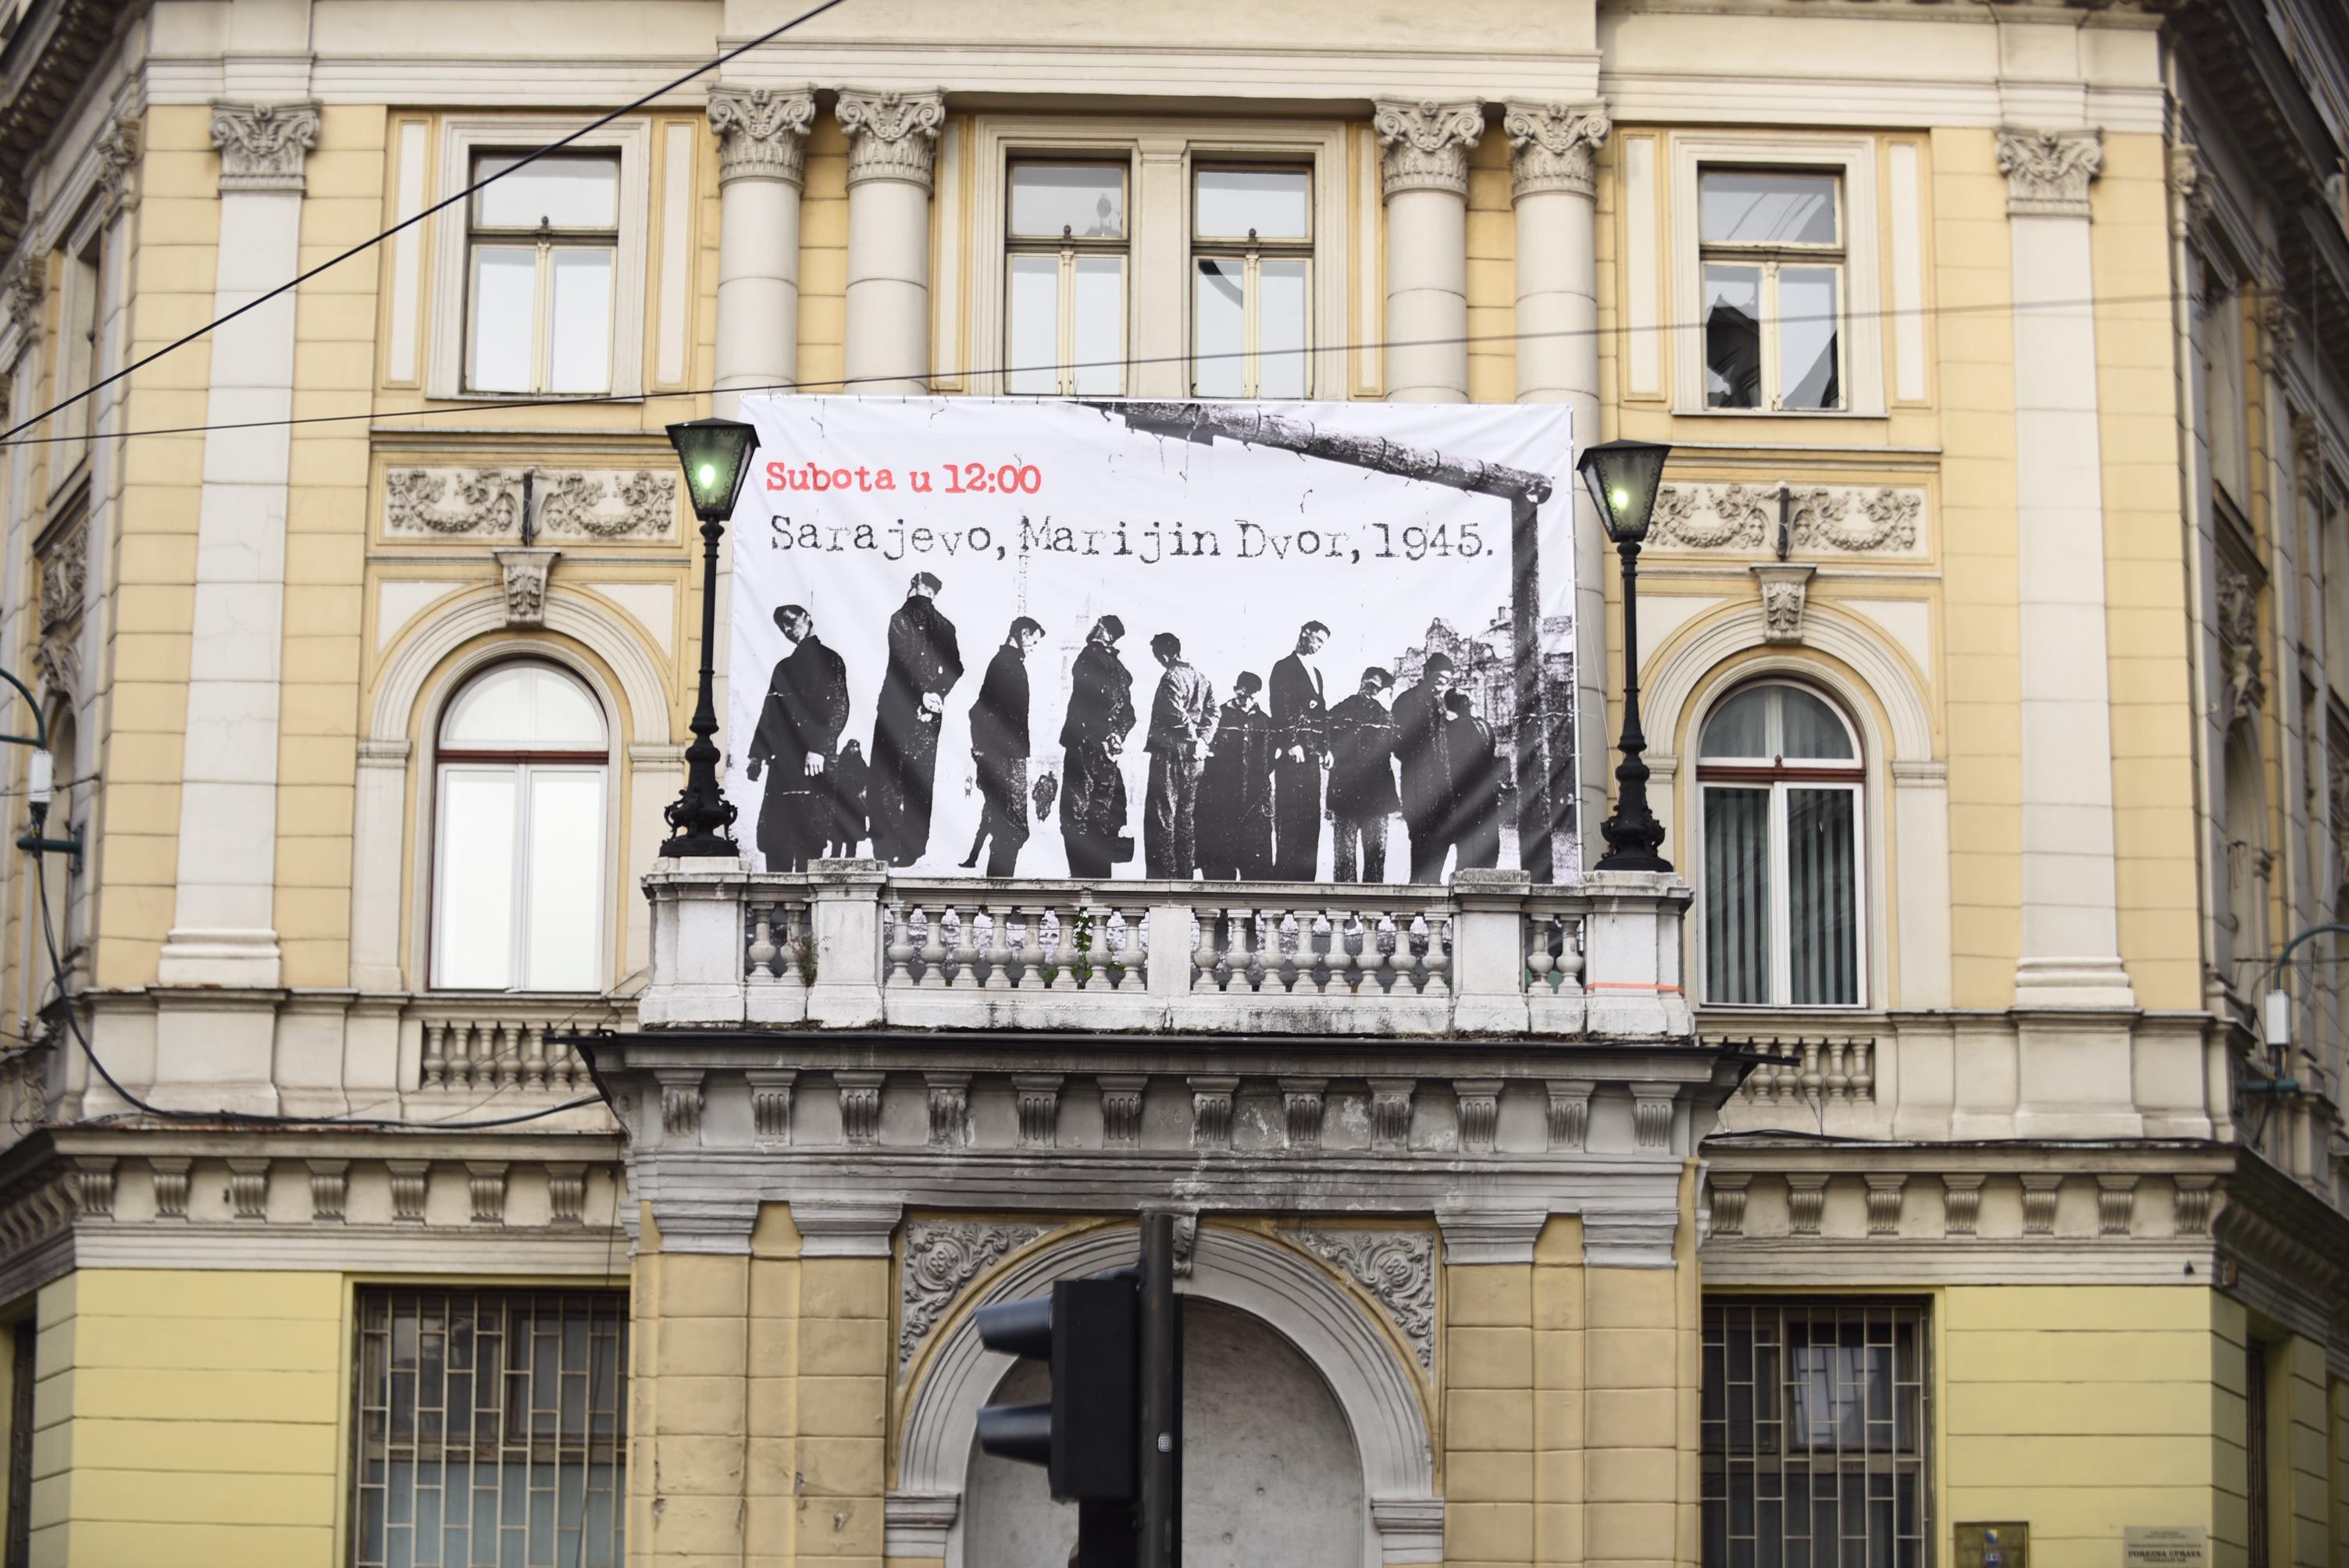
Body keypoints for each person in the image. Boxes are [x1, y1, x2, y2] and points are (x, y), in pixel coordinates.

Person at [744, 604, 850, 873]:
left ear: (807, 617)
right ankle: (776, 911)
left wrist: (819, 749)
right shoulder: (783, 667)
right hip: (782, 764)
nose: (788, 630)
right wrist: (757, 755)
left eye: (791, 622)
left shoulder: (831, 660)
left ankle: (804, 912)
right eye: (783, 626)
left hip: (812, 764)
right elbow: (770, 711)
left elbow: (840, 707)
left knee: (809, 838)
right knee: (776, 840)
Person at [869, 572, 964, 867]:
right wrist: (935, 692)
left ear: (913, 586)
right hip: (929, 713)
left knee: (885, 776)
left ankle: (884, 848)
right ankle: (913, 848)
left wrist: (920, 694)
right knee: (919, 778)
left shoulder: (900, 617)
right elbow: (957, 667)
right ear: (935, 593)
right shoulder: (946, 626)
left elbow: (901, 661)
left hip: (896, 706)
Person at [961, 617, 1043, 876]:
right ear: (1022, 633)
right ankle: (1000, 895)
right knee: (1010, 827)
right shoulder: (1005, 665)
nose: (1033, 646)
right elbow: (979, 712)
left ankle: (999, 893)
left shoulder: (1009, 664)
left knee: (1011, 827)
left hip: (1009, 756)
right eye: (1033, 640)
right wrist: (984, 752)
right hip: (1004, 758)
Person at [1058, 615, 1135, 878]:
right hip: (1107, 752)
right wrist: (1116, 736)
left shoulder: (1090, 656)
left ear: (1103, 631)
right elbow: (1129, 713)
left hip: (1085, 744)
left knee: (1075, 816)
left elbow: (1093, 700)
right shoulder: (1118, 668)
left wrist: (1103, 735)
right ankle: (1099, 887)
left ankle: (1083, 891)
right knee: (1103, 816)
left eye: (1098, 626)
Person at [1142, 632, 1216, 878]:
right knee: (1186, 819)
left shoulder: (1170, 677)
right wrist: (1203, 741)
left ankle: (1165, 880)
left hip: (1171, 754)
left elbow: (1176, 713)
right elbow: (1214, 713)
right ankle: (1185, 878)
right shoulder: (1201, 678)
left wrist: (1195, 740)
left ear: (1164, 654)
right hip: (1195, 759)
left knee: (1163, 817)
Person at [1268, 621, 1331, 879]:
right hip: (1292, 755)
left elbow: (1321, 714)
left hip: (1313, 756)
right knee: (1290, 816)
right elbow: (1279, 707)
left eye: (1322, 643)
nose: (1318, 646)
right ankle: (1284, 883)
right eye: (1316, 639)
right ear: (1304, 634)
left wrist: (1326, 748)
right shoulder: (1284, 667)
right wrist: (1290, 742)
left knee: (1310, 817)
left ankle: (1306, 883)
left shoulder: (1316, 673)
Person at [1197, 672, 1274, 880]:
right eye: (1243, 694)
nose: (1247, 700)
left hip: (1254, 802)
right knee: (1219, 866)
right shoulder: (1218, 717)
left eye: (1252, 696)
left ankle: (1251, 912)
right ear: (1235, 689)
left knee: (1256, 866)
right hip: (1221, 802)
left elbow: (1270, 761)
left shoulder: (1265, 722)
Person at [1324, 667, 1399, 883]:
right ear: (1362, 681)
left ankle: (1370, 913)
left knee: (1376, 855)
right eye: (1369, 685)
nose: (1372, 691)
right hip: (1345, 794)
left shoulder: (1386, 716)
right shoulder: (1340, 711)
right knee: (1344, 858)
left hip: (1377, 797)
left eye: (1377, 689)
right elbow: (1324, 739)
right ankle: (1345, 913)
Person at [1391, 653, 1458, 883]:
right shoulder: (1406, 701)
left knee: (1446, 830)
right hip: (1417, 780)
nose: (1442, 684)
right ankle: (1418, 884)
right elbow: (1395, 744)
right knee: (1420, 833)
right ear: (1426, 673)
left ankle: (1432, 881)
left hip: (1444, 780)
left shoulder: (1442, 702)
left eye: (1446, 680)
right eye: (1439, 678)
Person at [1442, 689, 1504, 871]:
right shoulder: (1457, 727)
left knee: (1487, 843)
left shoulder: (1481, 725)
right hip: (1468, 792)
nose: (1471, 701)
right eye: (1467, 699)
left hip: (1481, 791)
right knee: (1469, 845)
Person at [829, 739, 871, 857]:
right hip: (842, 802)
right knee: (838, 831)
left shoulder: (861, 764)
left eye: (856, 747)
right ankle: (835, 855)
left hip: (855, 804)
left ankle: (850, 856)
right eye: (852, 747)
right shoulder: (841, 762)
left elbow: (866, 779)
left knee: (853, 833)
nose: (854, 749)